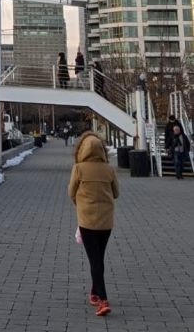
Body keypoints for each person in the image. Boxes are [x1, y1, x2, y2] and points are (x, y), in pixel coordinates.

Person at [68, 131, 119, 317]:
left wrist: (81, 203)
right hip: (106, 221)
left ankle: (103, 300)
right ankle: (94, 293)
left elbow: (71, 192)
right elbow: (116, 193)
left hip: (87, 220)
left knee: (94, 260)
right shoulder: (109, 169)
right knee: (99, 258)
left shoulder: (79, 168)